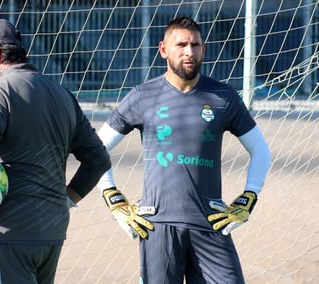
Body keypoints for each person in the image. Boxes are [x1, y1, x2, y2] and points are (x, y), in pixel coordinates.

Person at [0, 18, 111, 283]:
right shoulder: (62, 94)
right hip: (52, 233)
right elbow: (98, 159)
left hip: (10, 233)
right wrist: (66, 199)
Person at [97, 16, 271, 284]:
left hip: (211, 222)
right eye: (181, 45)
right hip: (158, 226)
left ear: (204, 49)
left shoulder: (224, 97)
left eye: (195, 45)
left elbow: (260, 150)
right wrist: (113, 198)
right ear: (164, 50)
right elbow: (96, 149)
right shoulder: (143, 96)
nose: (189, 52)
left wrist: (249, 198)